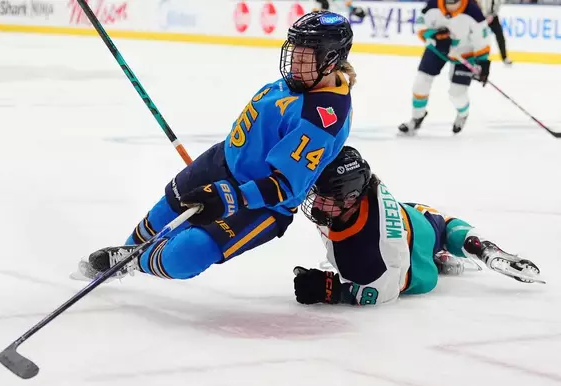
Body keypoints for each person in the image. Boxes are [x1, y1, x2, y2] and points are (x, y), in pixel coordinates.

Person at [72, 11, 357, 282]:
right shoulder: (305, 80)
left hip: (261, 203)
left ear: (330, 60)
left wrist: (230, 197)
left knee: (188, 254)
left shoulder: (322, 117)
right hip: (219, 163)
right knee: (158, 218)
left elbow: (284, 185)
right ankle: (128, 251)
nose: (294, 62)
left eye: (304, 57)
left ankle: (135, 261)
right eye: (294, 52)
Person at [293, 146, 543, 306]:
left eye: (322, 195)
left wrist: (330, 289)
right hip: (411, 218)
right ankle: (473, 247)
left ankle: (440, 258)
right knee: (441, 223)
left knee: (436, 232)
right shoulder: (352, 199)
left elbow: (382, 293)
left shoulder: (381, 242)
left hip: (413, 259)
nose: (315, 202)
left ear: (348, 197)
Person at [399, 0, 491, 135]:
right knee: (420, 83)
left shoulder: (473, 12)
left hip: (464, 54)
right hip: (437, 50)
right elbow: (420, 25)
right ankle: (417, 117)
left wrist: (483, 63)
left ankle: (463, 114)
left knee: (457, 93)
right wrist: (433, 35)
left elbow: (482, 40)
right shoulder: (432, 5)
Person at [478, 0, 512, 65]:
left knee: (500, 37)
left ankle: (504, 57)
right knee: (478, 37)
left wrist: (492, 14)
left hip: (493, 17)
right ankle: (476, 57)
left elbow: (498, 3)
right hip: (480, 15)